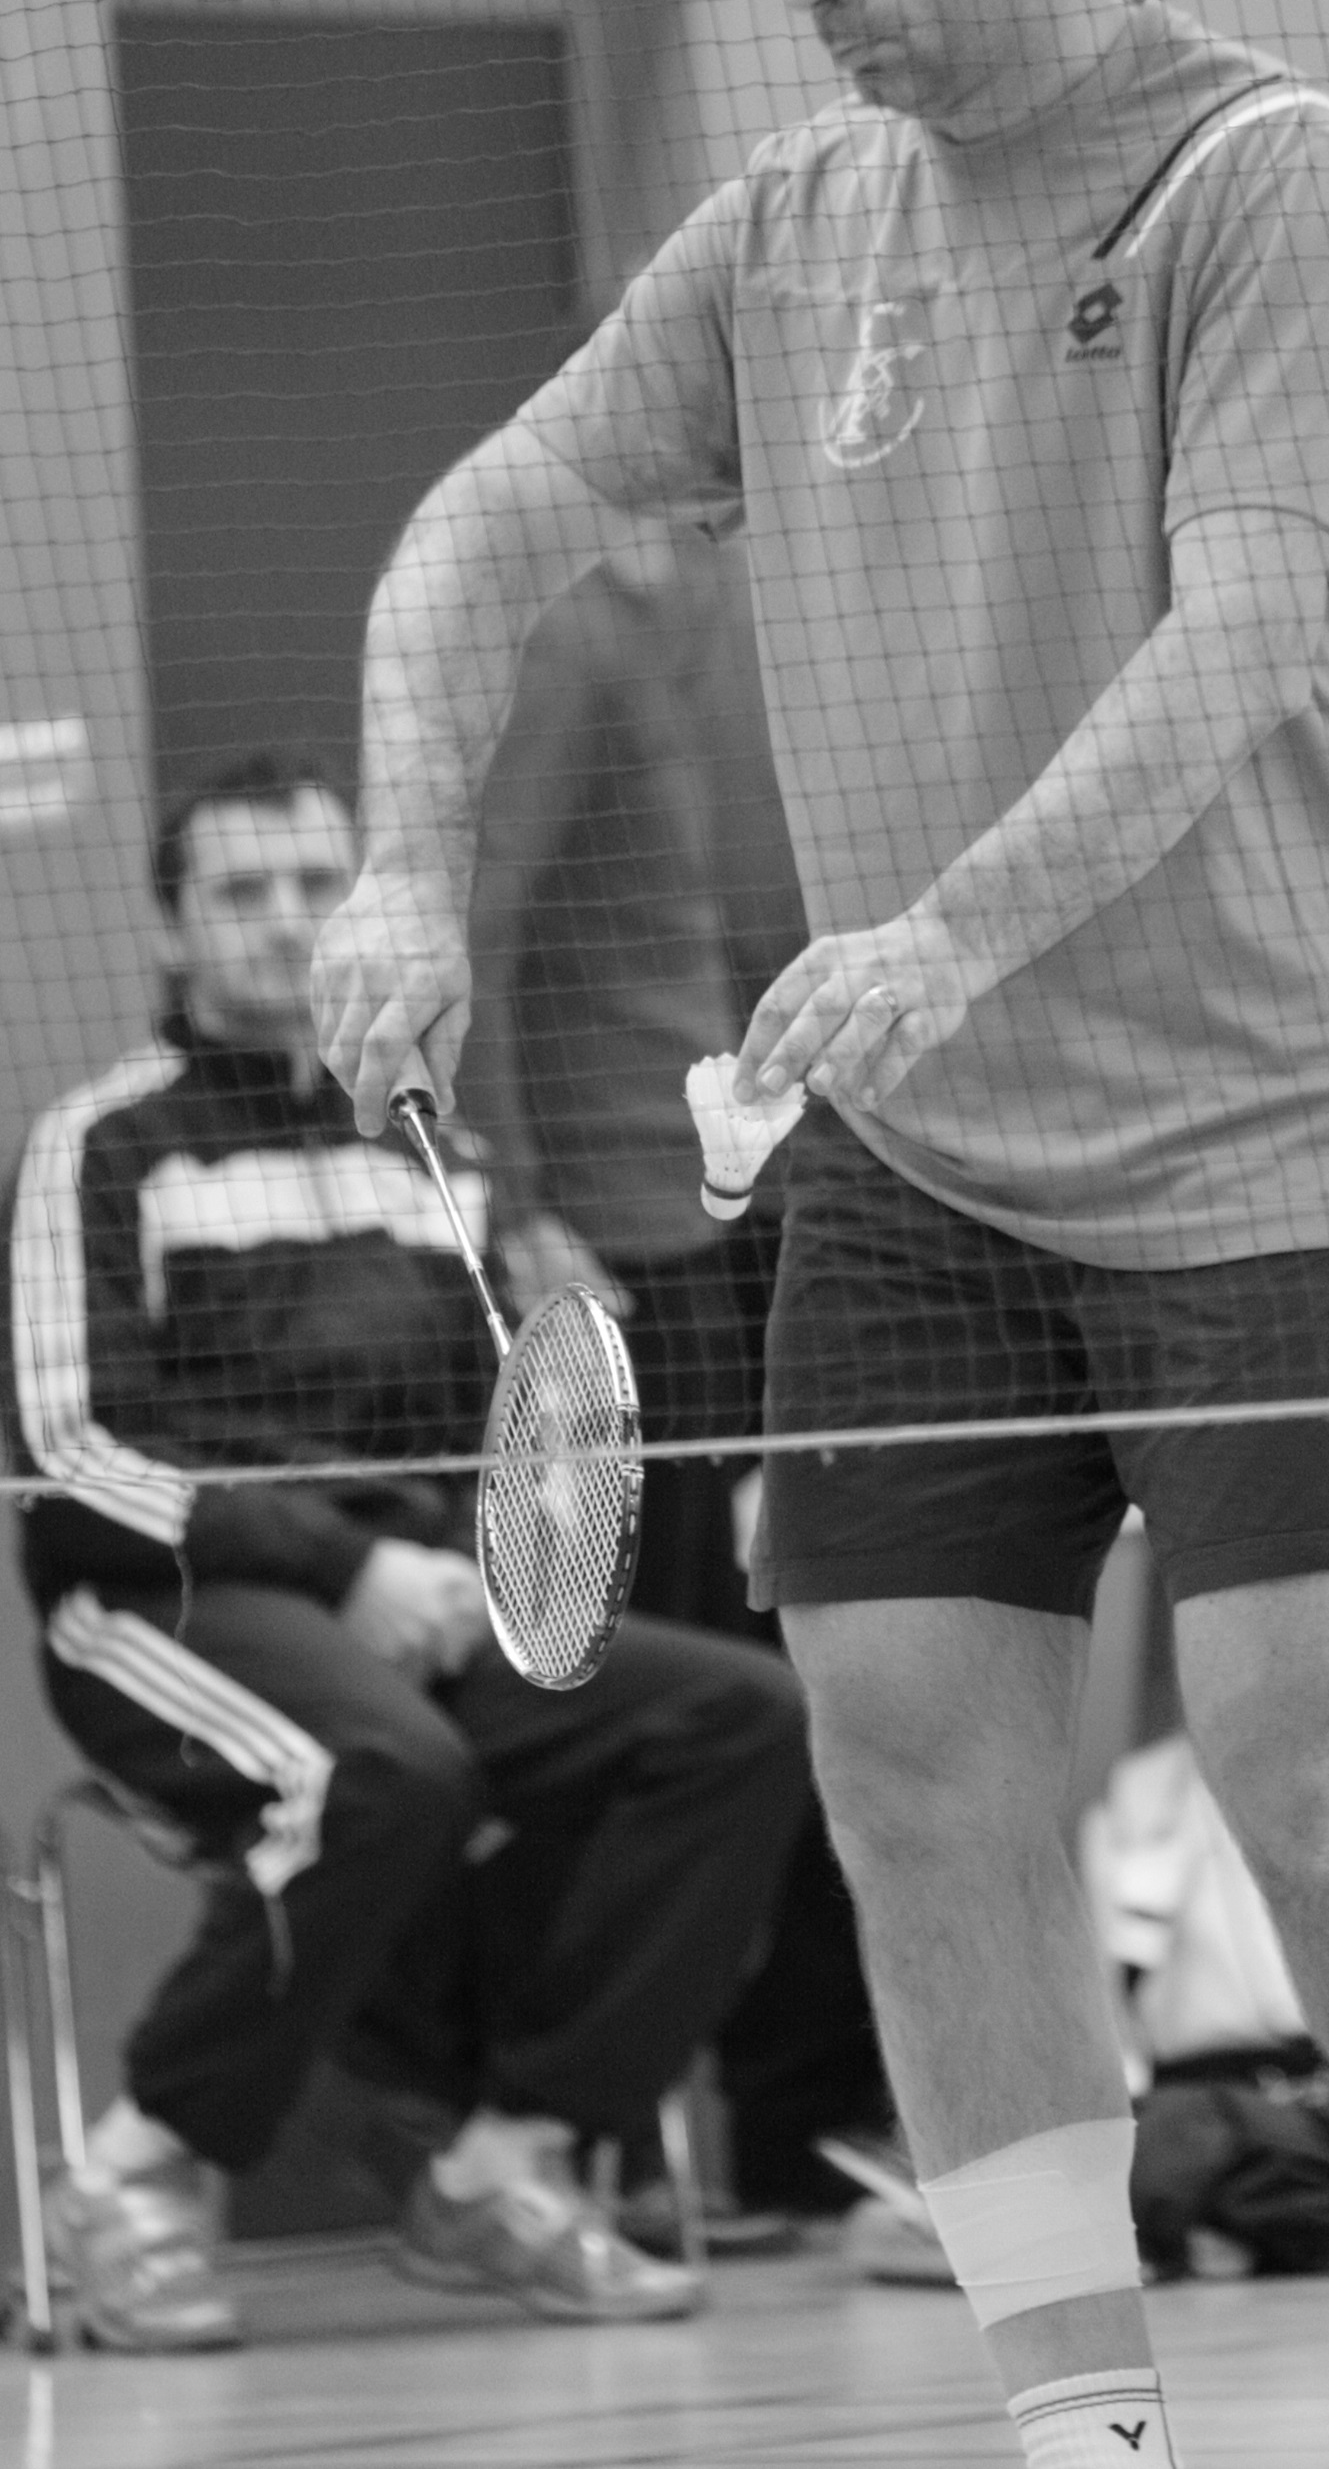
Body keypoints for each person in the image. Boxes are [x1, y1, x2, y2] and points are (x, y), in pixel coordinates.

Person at [315, 0, 1329, 2467]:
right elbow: (479, 528)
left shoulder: (1260, 171)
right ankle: (1083, 2422)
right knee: (909, 1758)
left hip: (1262, 1112)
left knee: (1305, 1767)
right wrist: (410, 852)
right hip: (916, 1155)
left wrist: (944, 923)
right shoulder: (787, 227)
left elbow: (1240, 632)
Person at [2, 752, 812, 2350]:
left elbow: (497, 1432)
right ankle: (133, 2173)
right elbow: (69, 1449)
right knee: (382, 1772)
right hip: (166, 1605)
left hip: (416, 1602)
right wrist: (342, 1571)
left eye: (317, 885)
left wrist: (474, 1565)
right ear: (168, 929)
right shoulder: (98, 1147)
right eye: (241, 890)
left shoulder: (432, 1159)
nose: (284, 918)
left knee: (737, 1719)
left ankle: (503, 2157)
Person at [461, 514, 891, 2223]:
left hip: (742, 1229)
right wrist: (520, 1205)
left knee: (810, 1679)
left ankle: (792, 2135)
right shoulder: (567, 630)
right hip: (616, 1263)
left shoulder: (747, 605)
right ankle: (605, 2141)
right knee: (668, 1705)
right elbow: (481, 929)